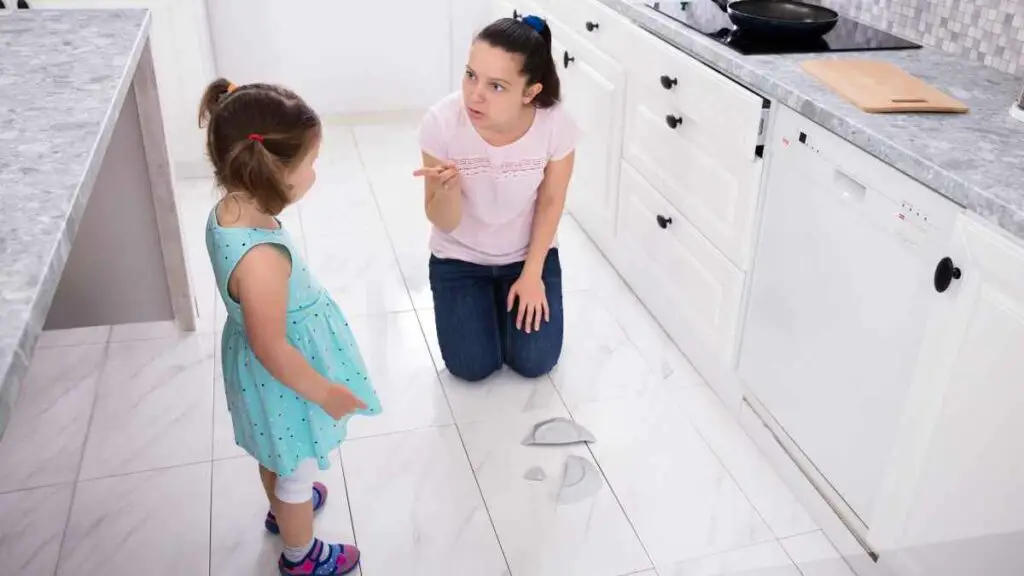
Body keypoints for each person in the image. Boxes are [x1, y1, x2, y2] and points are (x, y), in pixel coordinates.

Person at [199, 78, 381, 576]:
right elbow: (273, 347)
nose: (314, 173)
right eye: (310, 164)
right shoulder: (260, 259)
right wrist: (325, 392)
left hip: (261, 370)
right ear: (272, 172)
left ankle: (285, 506)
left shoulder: (228, 213)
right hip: (283, 378)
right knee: (295, 466)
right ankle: (302, 555)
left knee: (275, 451)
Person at [415, 14, 580, 383]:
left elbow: (551, 201)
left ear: (530, 92)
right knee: (471, 368)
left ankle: (503, 299)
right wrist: (446, 191)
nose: (475, 94)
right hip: (459, 258)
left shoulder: (555, 123)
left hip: (526, 256)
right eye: (471, 75)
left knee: (535, 363)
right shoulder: (441, 123)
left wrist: (533, 274)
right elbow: (444, 222)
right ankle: (482, 304)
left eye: (497, 86)